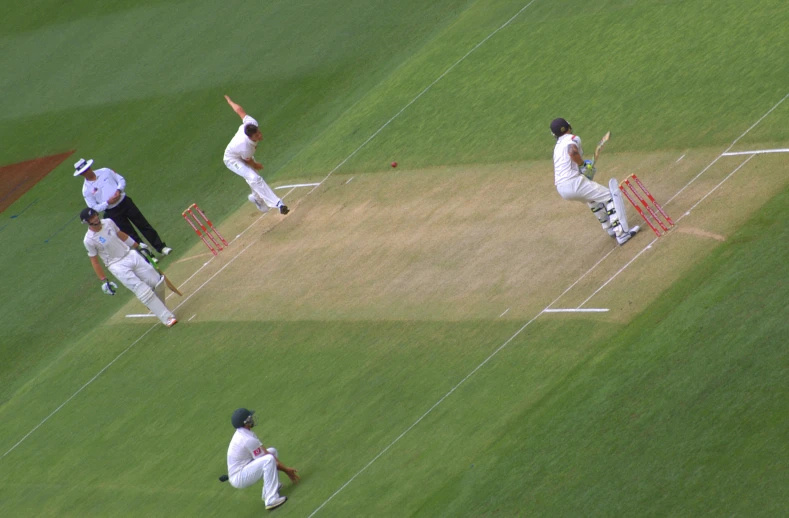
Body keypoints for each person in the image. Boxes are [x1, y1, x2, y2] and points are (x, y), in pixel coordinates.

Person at [81, 207, 177, 327]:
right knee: (144, 291)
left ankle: (154, 304)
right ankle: (167, 318)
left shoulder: (108, 222)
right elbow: (94, 261)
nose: (95, 218)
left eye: (95, 215)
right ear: (86, 222)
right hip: (116, 265)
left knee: (157, 282)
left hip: (130, 254)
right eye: (91, 218)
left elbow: (121, 234)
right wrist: (104, 280)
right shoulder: (89, 240)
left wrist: (138, 246)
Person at [550, 118, 639, 245]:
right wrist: (582, 165)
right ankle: (622, 233)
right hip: (573, 183)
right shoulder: (572, 138)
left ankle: (610, 228)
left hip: (561, 188)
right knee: (610, 197)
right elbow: (573, 152)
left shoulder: (557, 148)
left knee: (592, 199)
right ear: (568, 127)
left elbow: (567, 167)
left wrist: (583, 170)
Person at [74, 158, 172, 256]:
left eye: (87, 169)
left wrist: (119, 190)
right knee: (131, 234)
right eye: (84, 171)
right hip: (112, 212)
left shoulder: (105, 171)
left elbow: (120, 180)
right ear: (81, 174)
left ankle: (161, 247)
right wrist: (108, 202)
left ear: (90, 167)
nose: (87, 172)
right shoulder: (86, 190)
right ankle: (148, 256)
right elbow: (94, 207)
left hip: (125, 202)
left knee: (143, 225)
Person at [223, 95, 289, 215]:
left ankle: (256, 199)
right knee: (254, 178)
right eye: (256, 136)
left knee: (254, 179)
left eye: (258, 132)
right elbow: (248, 161)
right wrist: (255, 164)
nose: (259, 136)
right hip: (232, 160)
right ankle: (278, 204)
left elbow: (240, 111)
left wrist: (230, 101)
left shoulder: (251, 123)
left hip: (242, 155)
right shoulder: (245, 146)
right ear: (249, 137)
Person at [226, 408, 299, 511]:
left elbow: (266, 453)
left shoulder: (244, 433)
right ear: (245, 422)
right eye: (249, 418)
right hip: (239, 477)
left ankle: (270, 489)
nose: (252, 419)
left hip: (244, 467)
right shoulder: (247, 439)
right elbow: (266, 457)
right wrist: (287, 470)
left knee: (272, 452)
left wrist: (286, 469)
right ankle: (271, 500)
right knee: (268, 460)